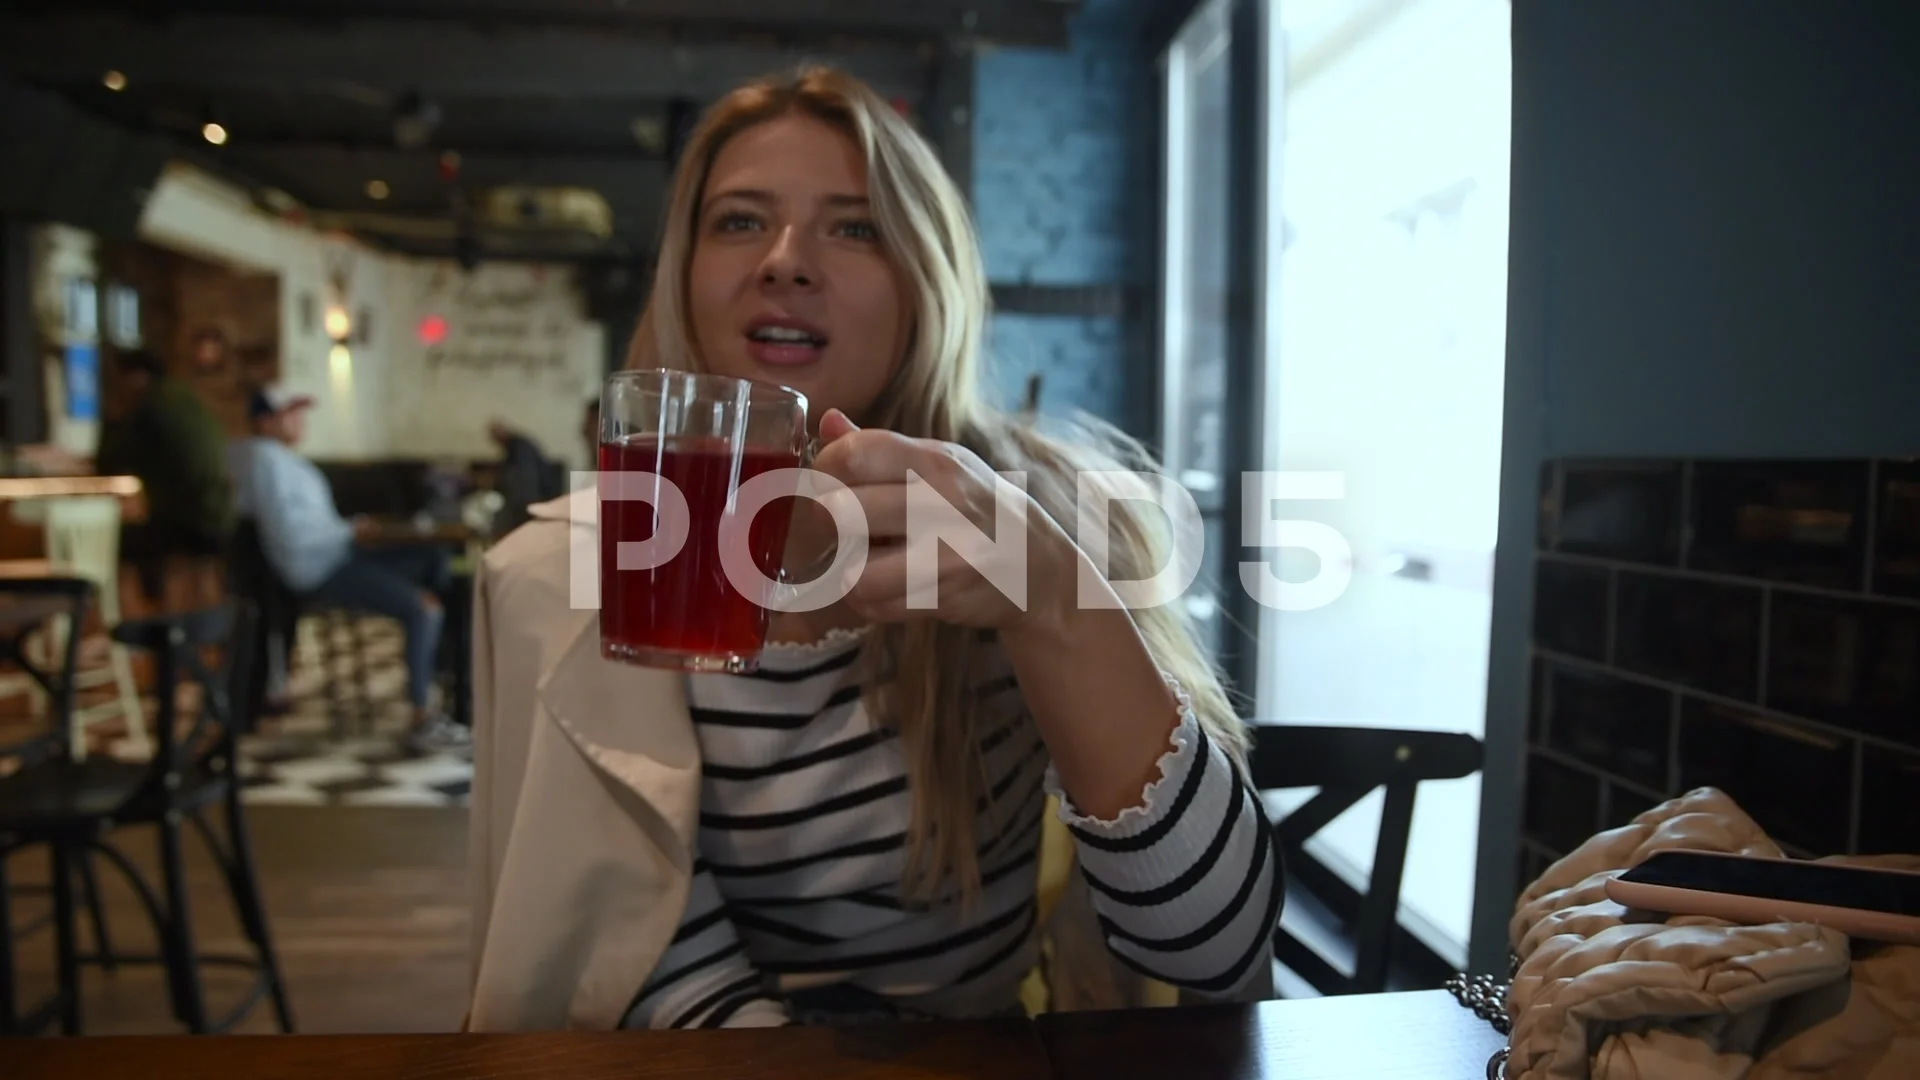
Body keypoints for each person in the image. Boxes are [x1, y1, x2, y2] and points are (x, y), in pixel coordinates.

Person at [466, 67, 1279, 1031]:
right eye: (737, 221)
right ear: (682, 273)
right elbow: (644, 960)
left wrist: (1056, 597)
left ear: (924, 280)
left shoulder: (1056, 513)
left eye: (853, 227)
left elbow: (1217, 948)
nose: (784, 260)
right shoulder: (569, 576)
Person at [229, 387, 470, 754]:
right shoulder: (263, 460)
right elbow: (293, 536)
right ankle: (424, 713)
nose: (300, 421)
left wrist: (353, 530)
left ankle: (447, 670)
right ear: (264, 421)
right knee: (426, 606)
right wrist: (351, 530)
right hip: (320, 568)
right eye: (289, 414)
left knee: (437, 562)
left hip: (339, 552)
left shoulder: (282, 461)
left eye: (300, 413)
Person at [95, 349, 233, 608]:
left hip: (189, 520)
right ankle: (173, 617)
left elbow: (110, 462)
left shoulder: (150, 407)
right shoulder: (184, 399)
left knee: (115, 543)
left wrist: (112, 417)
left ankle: (151, 619)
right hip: (219, 516)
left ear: (136, 377)